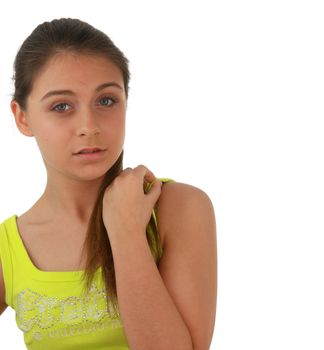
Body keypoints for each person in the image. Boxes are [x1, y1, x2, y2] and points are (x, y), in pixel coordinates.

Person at [0, 18, 217, 350]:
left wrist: (126, 231)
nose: (89, 126)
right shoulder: (9, 248)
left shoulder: (178, 208)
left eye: (106, 100)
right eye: (62, 106)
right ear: (22, 117)